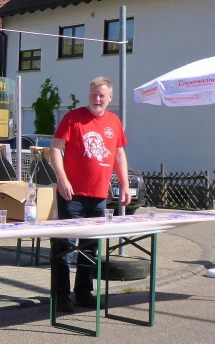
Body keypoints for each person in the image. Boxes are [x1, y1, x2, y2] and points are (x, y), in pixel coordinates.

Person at [48, 77, 131, 313]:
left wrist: (124, 184)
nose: (97, 99)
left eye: (101, 95)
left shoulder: (114, 121)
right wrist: (62, 180)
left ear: (110, 98)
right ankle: (61, 296)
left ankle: (84, 293)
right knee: (65, 247)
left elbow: (119, 155)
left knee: (90, 248)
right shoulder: (73, 118)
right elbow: (54, 149)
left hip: (99, 196)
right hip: (72, 195)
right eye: (93, 94)